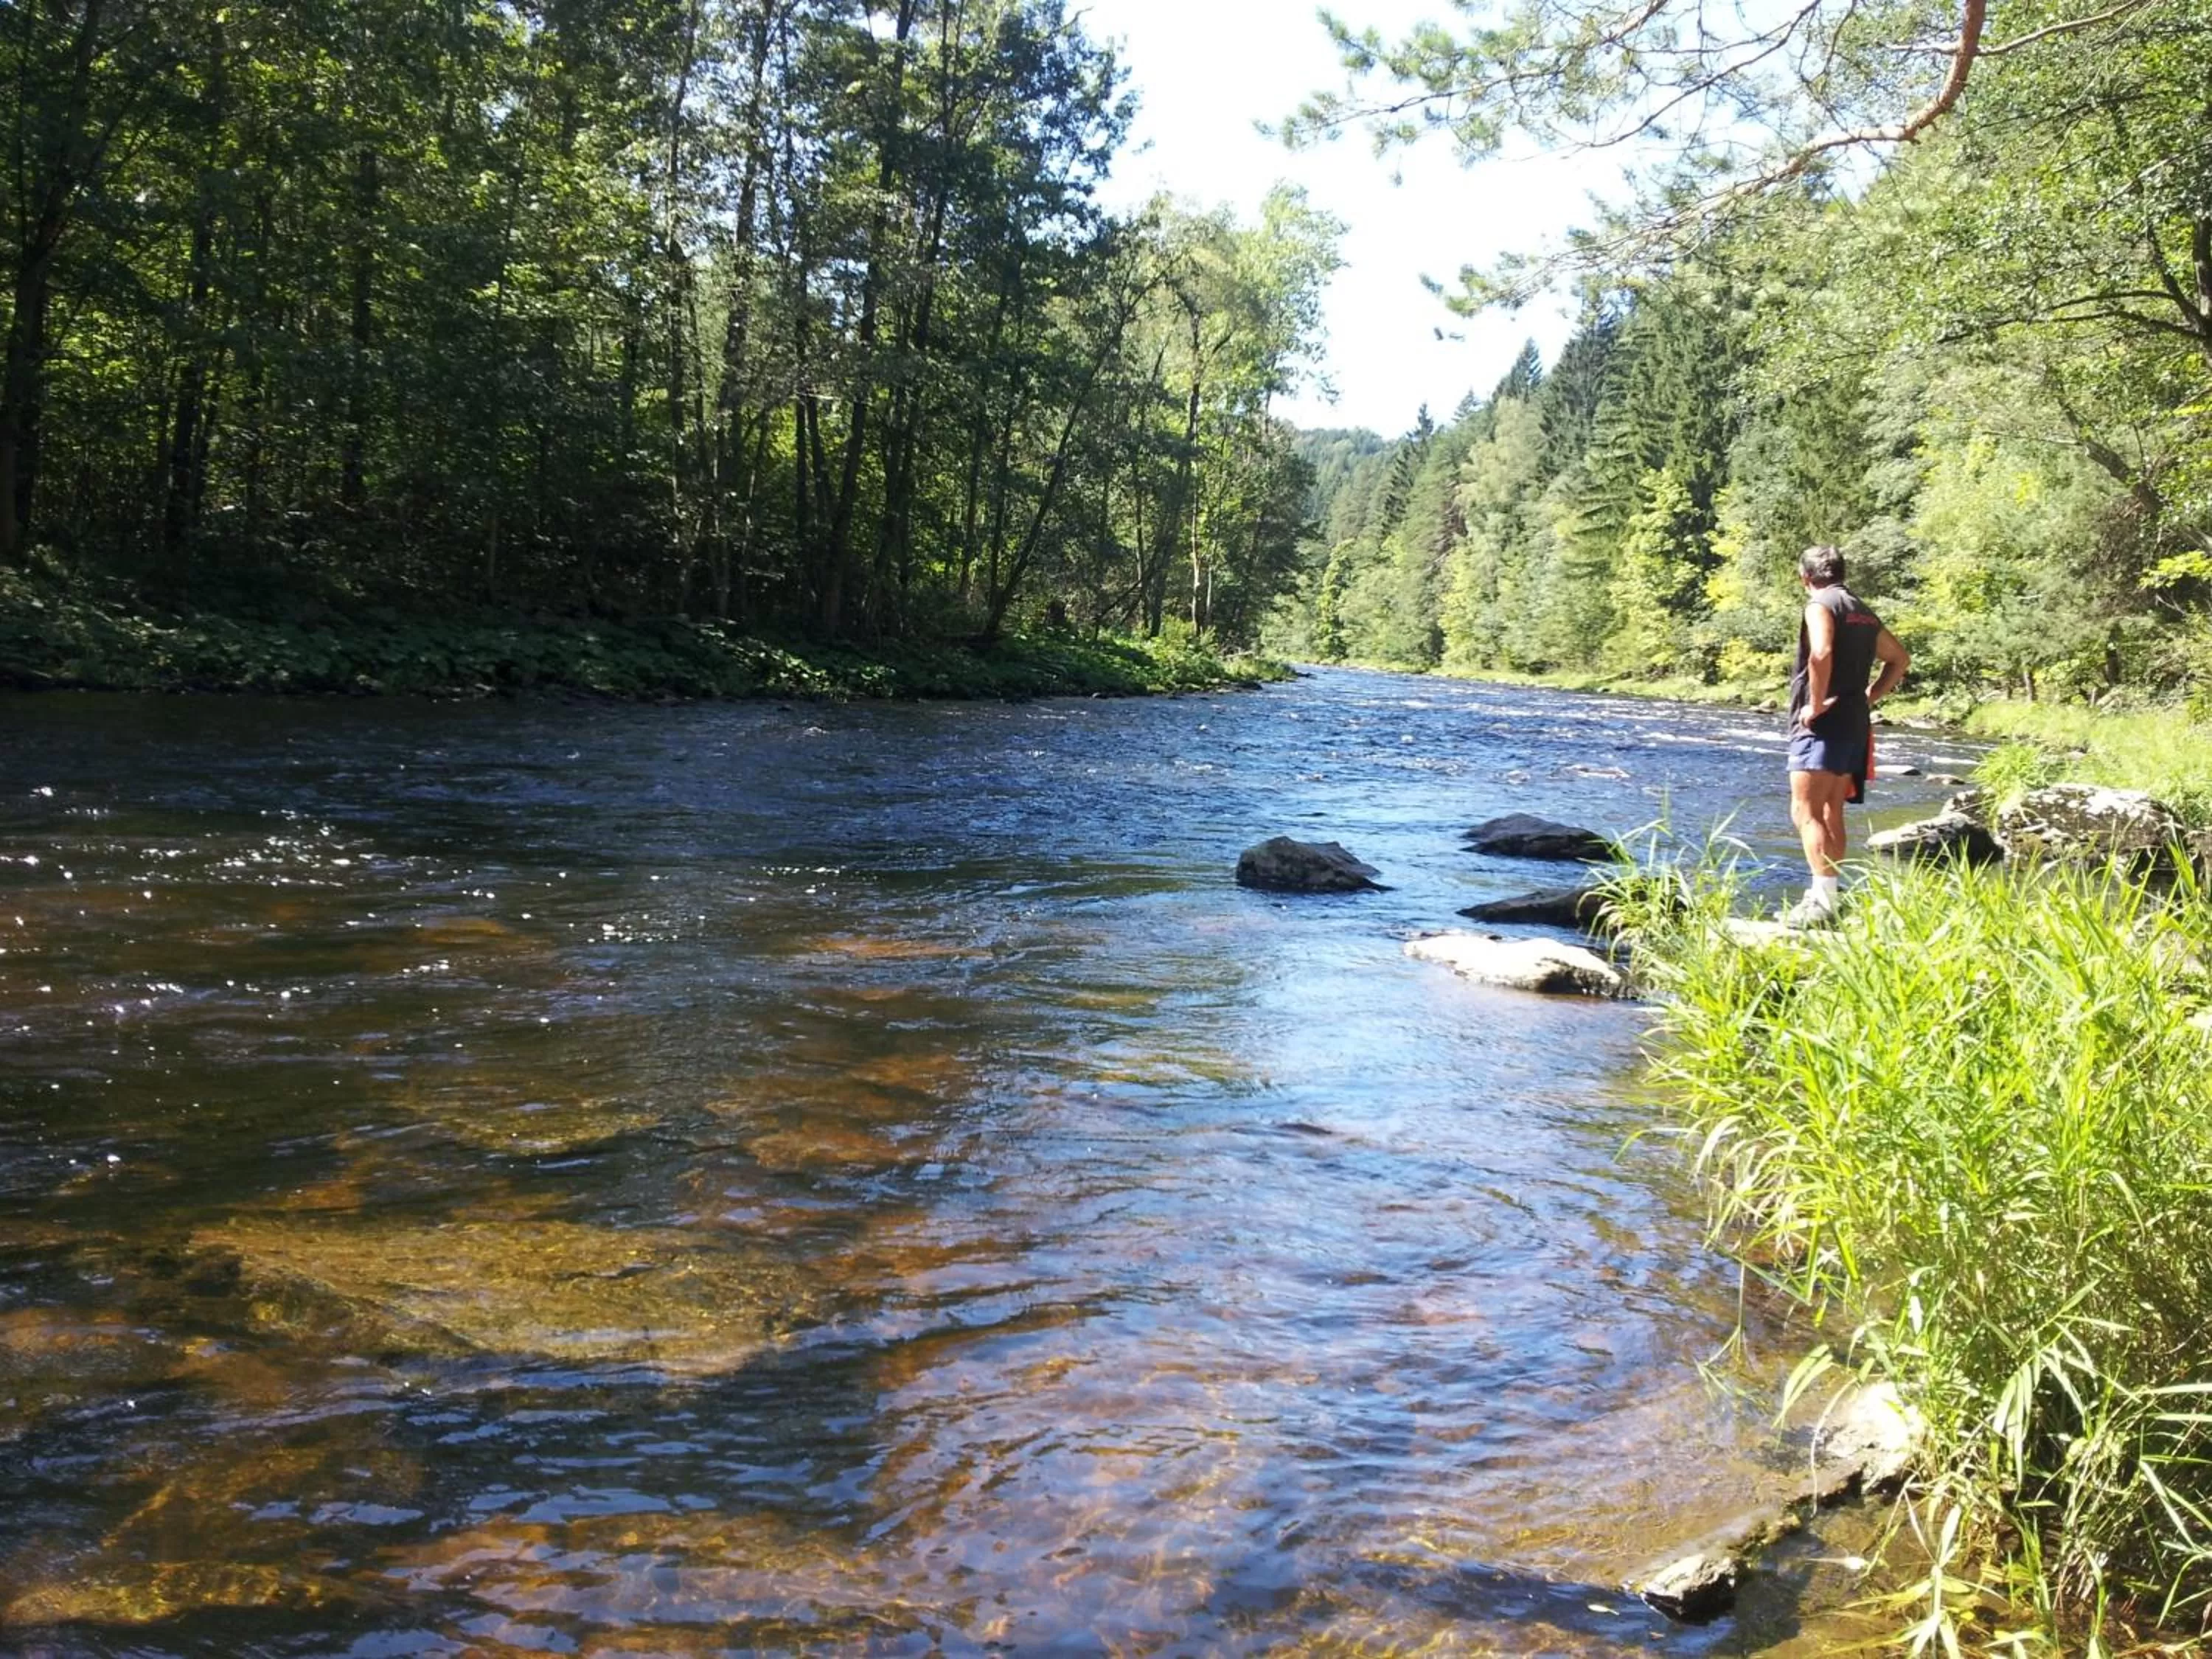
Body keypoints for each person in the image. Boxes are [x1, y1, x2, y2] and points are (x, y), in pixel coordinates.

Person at [1785, 545, 1909, 925]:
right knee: (1830, 809)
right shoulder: (1862, 611)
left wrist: (1816, 704)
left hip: (1821, 726)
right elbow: (1899, 659)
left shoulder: (1820, 604)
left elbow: (1820, 654)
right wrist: (1868, 698)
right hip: (1854, 722)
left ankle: (1821, 903)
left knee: (1805, 811)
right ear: (1840, 572)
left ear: (1806, 578)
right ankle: (1832, 899)